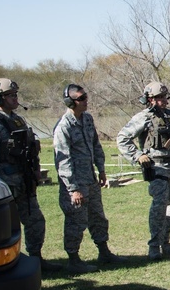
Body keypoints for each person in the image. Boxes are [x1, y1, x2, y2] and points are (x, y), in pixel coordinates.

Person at [0, 78, 62, 272]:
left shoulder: (16, 120)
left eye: (16, 95)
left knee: (36, 222)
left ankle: (36, 258)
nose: (15, 98)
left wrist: (35, 171)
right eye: (10, 95)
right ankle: (4, 265)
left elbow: (30, 147)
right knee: (4, 230)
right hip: (5, 187)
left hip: (24, 182)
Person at [117, 81, 170, 261]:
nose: (163, 101)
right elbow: (122, 138)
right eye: (159, 98)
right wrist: (137, 155)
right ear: (149, 99)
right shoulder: (143, 117)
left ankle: (165, 241)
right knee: (158, 206)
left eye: (164, 97)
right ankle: (154, 245)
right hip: (157, 167)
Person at [53, 84, 124, 273]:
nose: (86, 101)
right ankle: (74, 259)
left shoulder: (87, 119)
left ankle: (104, 251)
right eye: (81, 99)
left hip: (91, 180)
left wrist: (101, 170)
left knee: (98, 217)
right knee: (76, 221)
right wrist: (73, 188)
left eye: (86, 97)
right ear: (70, 102)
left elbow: (96, 145)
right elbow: (63, 160)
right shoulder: (63, 127)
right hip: (75, 184)